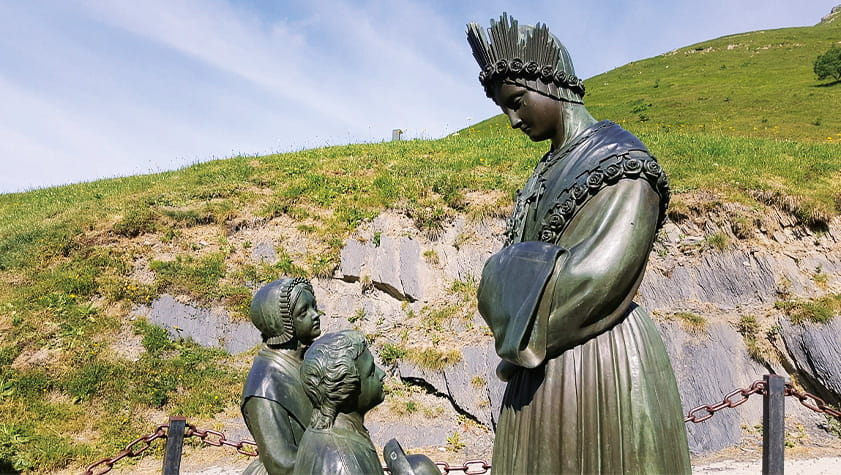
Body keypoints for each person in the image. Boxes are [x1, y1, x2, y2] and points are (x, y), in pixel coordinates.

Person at [466, 14, 691, 474]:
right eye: (505, 108)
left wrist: (514, 293)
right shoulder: (544, 172)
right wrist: (511, 276)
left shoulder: (621, 162)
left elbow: (598, 277)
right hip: (538, 374)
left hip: (602, 364)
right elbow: (499, 274)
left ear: (549, 83)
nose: (513, 121)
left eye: (517, 102)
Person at [293, 330, 438, 475]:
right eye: (371, 372)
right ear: (347, 389)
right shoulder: (345, 465)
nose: (382, 374)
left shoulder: (324, 432)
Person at [241, 277, 322, 475]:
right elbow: (281, 463)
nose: (315, 315)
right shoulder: (265, 386)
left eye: (314, 306)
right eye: (303, 312)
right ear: (284, 324)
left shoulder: (308, 360)